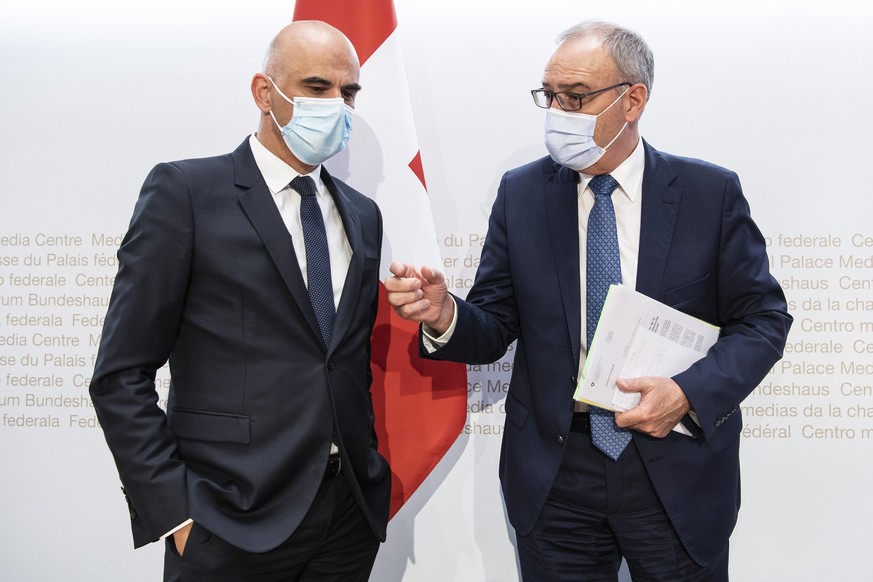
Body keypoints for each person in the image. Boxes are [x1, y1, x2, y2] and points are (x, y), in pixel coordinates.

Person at [386, 20, 791, 581]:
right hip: (558, 474)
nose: (557, 112)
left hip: (673, 466)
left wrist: (687, 394)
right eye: (549, 96)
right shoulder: (522, 193)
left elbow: (763, 320)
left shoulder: (709, 194)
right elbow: (497, 321)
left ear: (633, 100)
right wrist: (444, 314)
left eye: (575, 98)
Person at [89, 21, 390, 582]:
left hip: (346, 515)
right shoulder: (186, 193)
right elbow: (120, 373)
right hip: (228, 518)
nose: (337, 105)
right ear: (263, 92)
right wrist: (173, 510)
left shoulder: (361, 214)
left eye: (348, 94)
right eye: (318, 87)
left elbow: (337, 360)